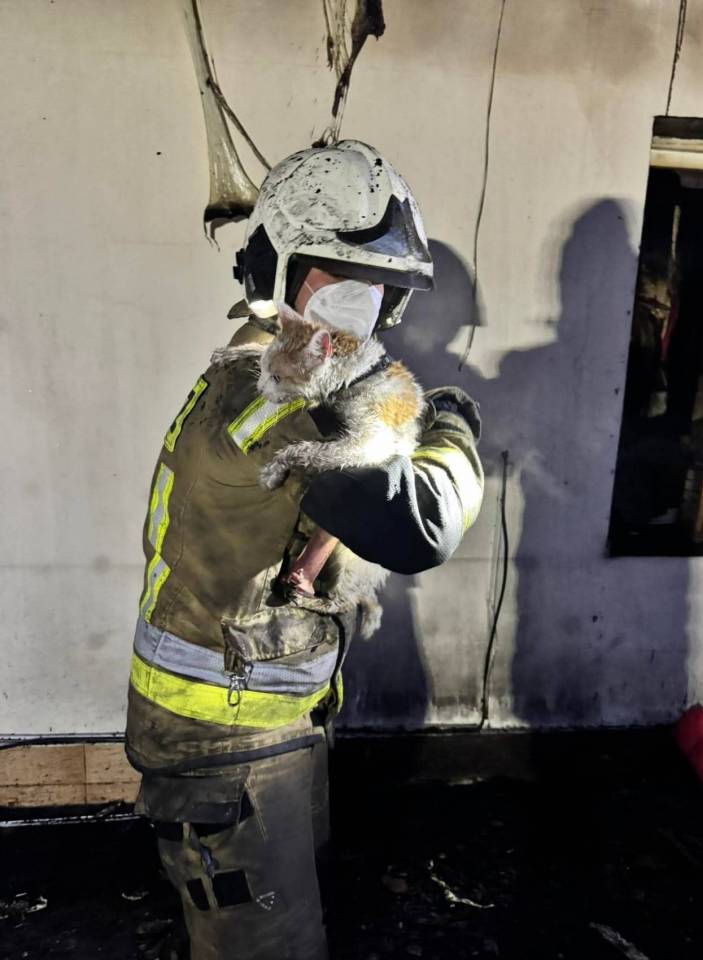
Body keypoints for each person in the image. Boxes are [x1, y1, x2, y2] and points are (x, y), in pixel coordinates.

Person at [124, 140, 484, 960]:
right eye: (338, 278)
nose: (362, 304)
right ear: (275, 270)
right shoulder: (281, 399)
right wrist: (455, 428)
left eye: (378, 285)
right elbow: (419, 526)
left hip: (261, 716)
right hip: (227, 741)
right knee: (269, 947)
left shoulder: (271, 366)